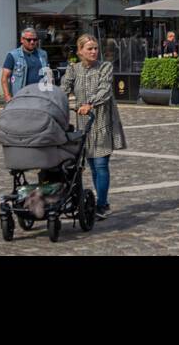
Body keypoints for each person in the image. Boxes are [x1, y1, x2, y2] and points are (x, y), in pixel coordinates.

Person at [61, 34, 125, 220]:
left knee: (101, 163)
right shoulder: (73, 69)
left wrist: (90, 103)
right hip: (84, 123)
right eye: (89, 48)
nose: (94, 51)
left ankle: (102, 204)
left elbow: (105, 90)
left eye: (95, 48)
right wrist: (56, 100)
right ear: (80, 51)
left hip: (102, 120)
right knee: (92, 165)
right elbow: (64, 87)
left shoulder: (105, 67)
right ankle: (96, 201)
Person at [1, 28, 50, 104]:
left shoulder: (43, 54)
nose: (32, 42)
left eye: (35, 39)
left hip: (40, 97)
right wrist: (7, 96)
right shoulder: (13, 55)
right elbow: (5, 78)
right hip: (21, 98)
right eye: (29, 40)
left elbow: (47, 75)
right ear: (22, 40)